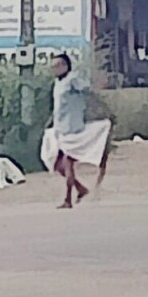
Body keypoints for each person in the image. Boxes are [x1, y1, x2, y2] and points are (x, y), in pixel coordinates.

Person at [42, 54, 113, 210]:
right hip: (60, 130)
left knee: (67, 164)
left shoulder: (72, 80)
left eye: (59, 65)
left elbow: (87, 91)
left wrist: (102, 106)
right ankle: (80, 189)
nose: (56, 68)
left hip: (73, 129)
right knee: (57, 164)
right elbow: (59, 107)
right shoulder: (57, 83)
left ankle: (68, 199)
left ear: (66, 65)